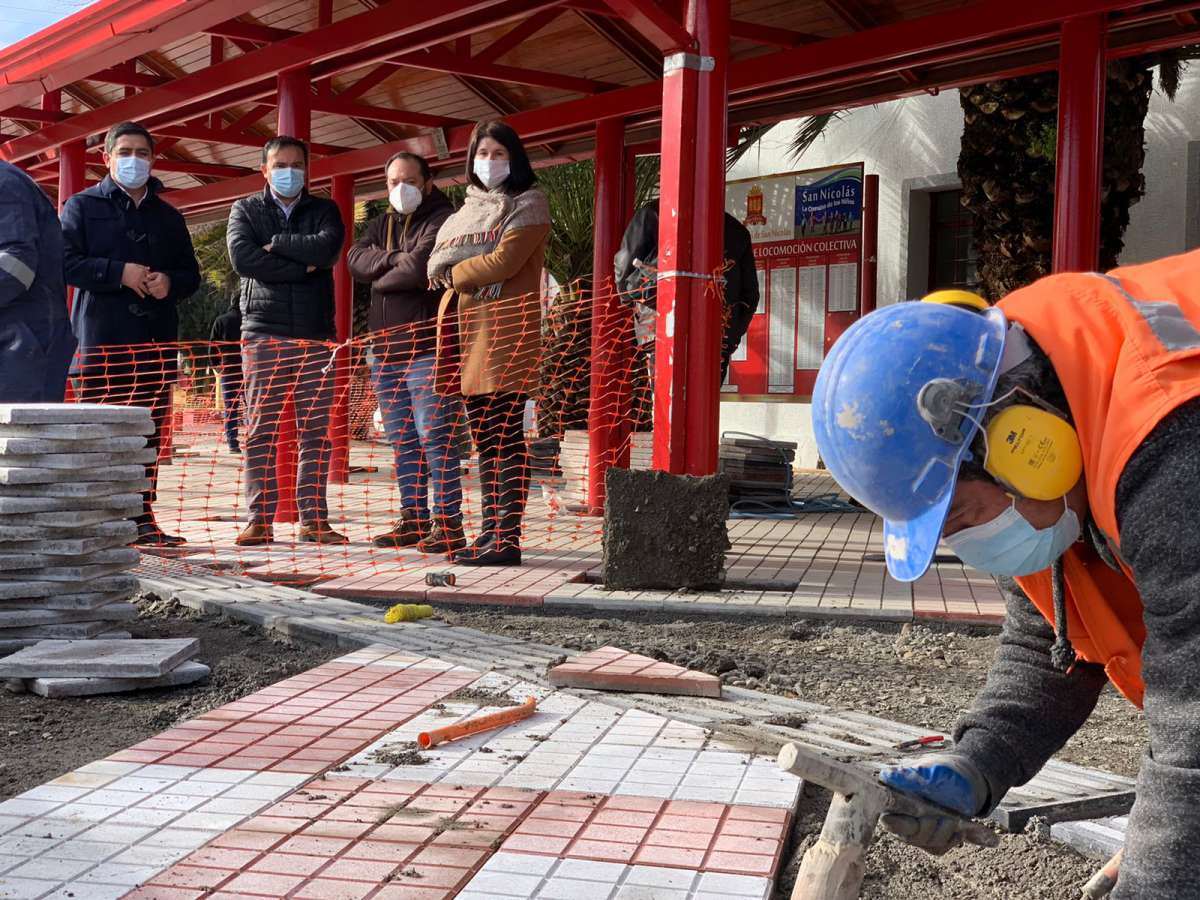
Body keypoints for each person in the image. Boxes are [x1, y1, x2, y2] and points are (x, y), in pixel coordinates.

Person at [810, 254, 1200, 900]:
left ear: (1022, 441)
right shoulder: (1056, 400)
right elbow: (1054, 641)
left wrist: (1163, 869)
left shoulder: (1172, 445)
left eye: (959, 515)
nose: (966, 546)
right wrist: (978, 760)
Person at [62, 121, 201, 547]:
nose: (134, 160)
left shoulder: (169, 216)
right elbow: (64, 261)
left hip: (155, 339)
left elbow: (192, 274)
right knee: (101, 428)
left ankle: (142, 517)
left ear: (153, 159)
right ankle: (97, 517)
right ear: (106, 158)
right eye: (125, 152)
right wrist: (117, 272)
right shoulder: (82, 207)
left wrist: (170, 284)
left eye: (142, 152)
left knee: (148, 430)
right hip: (103, 337)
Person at [429, 120, 550, 567]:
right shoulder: (463, 214)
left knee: (504, 435)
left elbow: (504, 260)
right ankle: (490, 532)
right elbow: (437, 259)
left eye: (500, 154)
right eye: (483, 153)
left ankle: (507, 539)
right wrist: (457, 271)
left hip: (505, 333)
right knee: (483, 439)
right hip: (467, 335)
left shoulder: (529, 202)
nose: (490, 162)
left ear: (515, 158)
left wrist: (454, 275)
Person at [226, 135, 346, 546]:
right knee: (261, 428)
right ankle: (259, 519)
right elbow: (243, 259)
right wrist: (305, 265)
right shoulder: (245, 209)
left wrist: (276, 246)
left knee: (316, 430)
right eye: (280, 164)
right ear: (264, 169)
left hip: (316, 336)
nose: (289, 171)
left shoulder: (325, 209)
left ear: (307, 170)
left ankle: (314, 520)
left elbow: (329, 248)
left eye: (297, 164)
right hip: (263, 332)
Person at [348, 152, 461, 554]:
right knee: (402, 441)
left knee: (436, 438)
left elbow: (418, 269)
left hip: (426, 350)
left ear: (428, 182)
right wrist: (392, 261)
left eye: (410, 180)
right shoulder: (380, 223)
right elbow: (354, 260)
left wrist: (380, 276)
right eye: (394, 181)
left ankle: (447, 522)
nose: (401, 189)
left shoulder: (443, 218)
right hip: (384, 353)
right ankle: (413, 517)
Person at [613, 203, 760, 382]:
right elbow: (750, 296)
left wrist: (630, 299)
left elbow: (625, 265)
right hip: (716, 335)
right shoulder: (735, 230)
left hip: (658, 329)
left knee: (664, 401)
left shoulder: (652, 213)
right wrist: (730, 336)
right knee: (706, 401)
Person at [0, 160, 75, 403]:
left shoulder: (6, 183)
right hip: (19, 343)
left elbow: (16, 265)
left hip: (22, 347)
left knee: (21, 437)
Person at [208, 298, 242, 453]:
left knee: (231, 408)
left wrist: (216, 365)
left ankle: (232, 443)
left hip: (228, 369)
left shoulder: (221, 320)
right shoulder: (248, 321)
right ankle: (255, 440)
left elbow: (212, 345)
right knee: (252, 406)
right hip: (248, 368)